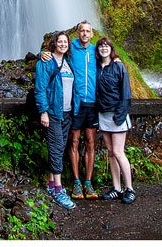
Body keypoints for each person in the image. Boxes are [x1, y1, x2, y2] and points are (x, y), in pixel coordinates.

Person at [41, 20, 98, 200]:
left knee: (85, 141)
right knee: (66, 143)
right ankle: (66, 186)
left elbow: (109, 55)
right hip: (65, 107)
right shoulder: (68, 49)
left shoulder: (92, 51)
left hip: (85, 105)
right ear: (78, 33)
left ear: (92, 33)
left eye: (88, 31)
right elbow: (53, 56)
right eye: (82, 31)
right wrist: (42, 54)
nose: (85, 34)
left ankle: (83, 183)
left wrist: (117, 58)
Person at [35, 31, 76, 209]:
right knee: (56, 147)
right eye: (59, 42)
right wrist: (43, 112)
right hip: (53, 112)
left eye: (65, 42)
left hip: (67, 112)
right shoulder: (45, 62)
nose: (62, 44)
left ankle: (51, 185)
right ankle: (59, 190)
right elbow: (40, 88)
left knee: (59, 148)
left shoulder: (67, 63)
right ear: (54, 44)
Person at [95, 36, 136, 204]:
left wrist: (120, 115)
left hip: (117, 115)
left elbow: (126, 94)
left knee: (119, 152)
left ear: (111, 49)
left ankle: (130, 189)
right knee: (111, 153)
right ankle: (116, 188)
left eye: (106, 46)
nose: (104, 49)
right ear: (97, 50)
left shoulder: (119, 66)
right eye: (101, 47)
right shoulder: (97, 67)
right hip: (103, 114)